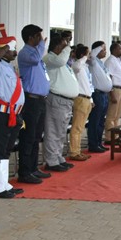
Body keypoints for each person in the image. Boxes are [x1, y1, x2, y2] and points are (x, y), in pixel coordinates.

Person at [0, 24, 24, 198]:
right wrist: (7, 45)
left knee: (6, 149)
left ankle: (4, 184)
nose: (15, 53)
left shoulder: (9, 66)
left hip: (13, 113)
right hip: (1, 112)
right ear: (3, 50)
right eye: (12, 50)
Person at [17, 24, 52, 184]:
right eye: (38, 36)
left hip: (40, 100)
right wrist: (42, 46)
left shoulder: (37, 54)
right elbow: (36, 59)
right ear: (31, 38)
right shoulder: (25, 53)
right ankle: (24, 172)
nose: (41, 40)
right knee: (28, 136)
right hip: (30, 100)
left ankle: (33, 168)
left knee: (37, 136)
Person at [43, 32, 78, 172]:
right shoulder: (50, 58)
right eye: (63, 46)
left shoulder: (60, 60)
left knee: (61, 132)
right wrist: (67, 47)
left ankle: (58, 158)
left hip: (65, 102)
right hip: (57, 99)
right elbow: (61, 61)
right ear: (57, 46)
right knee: (53, 131)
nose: (66, 49)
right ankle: (51, 161)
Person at [67, 44, 93, 161]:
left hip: (87, 98)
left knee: (80, 127)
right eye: (88, 53)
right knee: (76, 127)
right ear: (83, 55)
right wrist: (83, 57)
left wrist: (91, 99)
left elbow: (88, 84)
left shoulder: (86, 67)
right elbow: (76, 66)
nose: (90, 55)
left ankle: (78, 151)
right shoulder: (77, 65)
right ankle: (74, 152)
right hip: (80, 98)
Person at [87, 41, 112, 153]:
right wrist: (99, 47)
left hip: (104, 94)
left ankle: (98, 142)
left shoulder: (100, 63)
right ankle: (93, 144)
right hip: (97, 94)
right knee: (95, 120)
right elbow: (92, 55)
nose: (105, 52)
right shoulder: (92, 61)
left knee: (101, 120)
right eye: (103, 49)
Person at [104, 41, 121, 139]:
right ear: (114, 50)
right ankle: (109, 137)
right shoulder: (110, 61)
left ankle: (116, 136)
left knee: (118, 115)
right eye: (119, 48)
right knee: (111, 115)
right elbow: (108, 77)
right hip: (115, 89)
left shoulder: (118, 60)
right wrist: (111, 92)